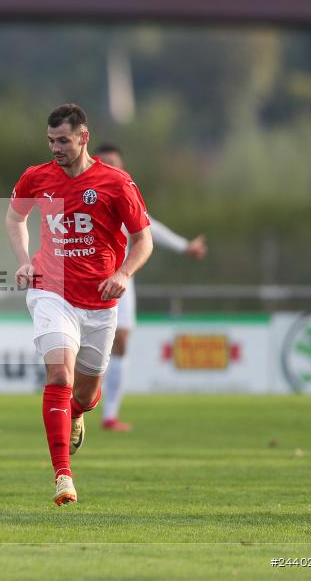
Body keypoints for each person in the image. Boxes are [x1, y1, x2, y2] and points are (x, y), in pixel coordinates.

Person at [5, 104, 153, 506]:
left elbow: (144, 241)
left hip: (100, 302)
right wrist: (23, 259)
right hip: (51, 289)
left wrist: (123, 274)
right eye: (51, 140)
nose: (56, 148)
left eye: (64, 141)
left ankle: (79, 413)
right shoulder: (37, 177)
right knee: (58, 374)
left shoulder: (116, 183)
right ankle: (62, 475)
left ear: (84, 137)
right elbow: (15, 217)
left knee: (85, 395)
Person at [93, 144, 207, 432]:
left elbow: (150, 228)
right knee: (86, 346)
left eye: (114, 163)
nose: (109, 168)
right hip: (86, 278)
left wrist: (184, 247)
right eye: (103, 163)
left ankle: (109, 415)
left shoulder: (124, 195)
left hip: (121, 279)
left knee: (121, 341)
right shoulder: (85, 196)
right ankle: (83, 397)